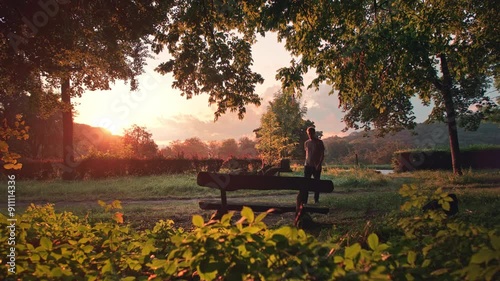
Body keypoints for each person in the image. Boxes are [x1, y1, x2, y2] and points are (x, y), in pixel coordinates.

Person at [302, 126, 325, 204]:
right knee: (305, 184)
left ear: (314, 133)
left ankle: (316, 200)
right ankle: (305, 201)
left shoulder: (319, 142)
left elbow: (322, 154)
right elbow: (307, 154)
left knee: (316, 183)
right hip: (307, 165)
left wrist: (319, 164)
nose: (310, 135)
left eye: (311, 133)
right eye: (309, 133)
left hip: (316, 166)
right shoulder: (306, 143)